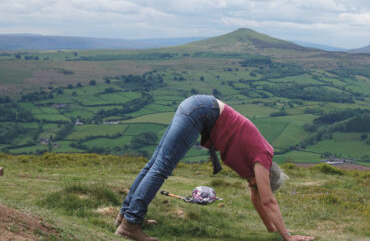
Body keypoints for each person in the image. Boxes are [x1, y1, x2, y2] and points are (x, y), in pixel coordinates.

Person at [115, 95, 315, 241]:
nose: (251, 186)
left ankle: (126, 215)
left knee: (155, 164)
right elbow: (268, 201)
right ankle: (130, 223)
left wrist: (270, 228)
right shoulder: (263, 158)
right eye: (256, 185)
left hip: (197, 106)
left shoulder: (256, 163)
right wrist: (288, 237)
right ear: (265, 178)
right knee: (161, 168)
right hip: (201, 112)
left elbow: (257, 200)